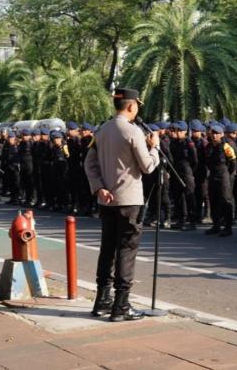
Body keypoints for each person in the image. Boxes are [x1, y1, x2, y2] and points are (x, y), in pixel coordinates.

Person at [84, 88, 159, 322]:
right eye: (137, 105)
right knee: (126, 251)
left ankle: (102, 300)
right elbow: (147, 167)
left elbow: (89, 163)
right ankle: (121, 305)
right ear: (130, 106)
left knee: (107, 249)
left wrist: (99, 187)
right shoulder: (133, 131)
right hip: (129, 200)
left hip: (107, 200)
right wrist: (154, 147)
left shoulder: (101, 130)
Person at [204, 125, 237, 237]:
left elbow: (233, 162)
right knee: (213, 201)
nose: (214, 135)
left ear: (222, 134)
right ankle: (216, 225)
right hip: (212, 176)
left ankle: (228, 227)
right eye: (212, 133)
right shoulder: (208, 146)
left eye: (217, 133)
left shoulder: (226, 146)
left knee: (225, 201)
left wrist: (228, 174)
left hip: (223, 176)